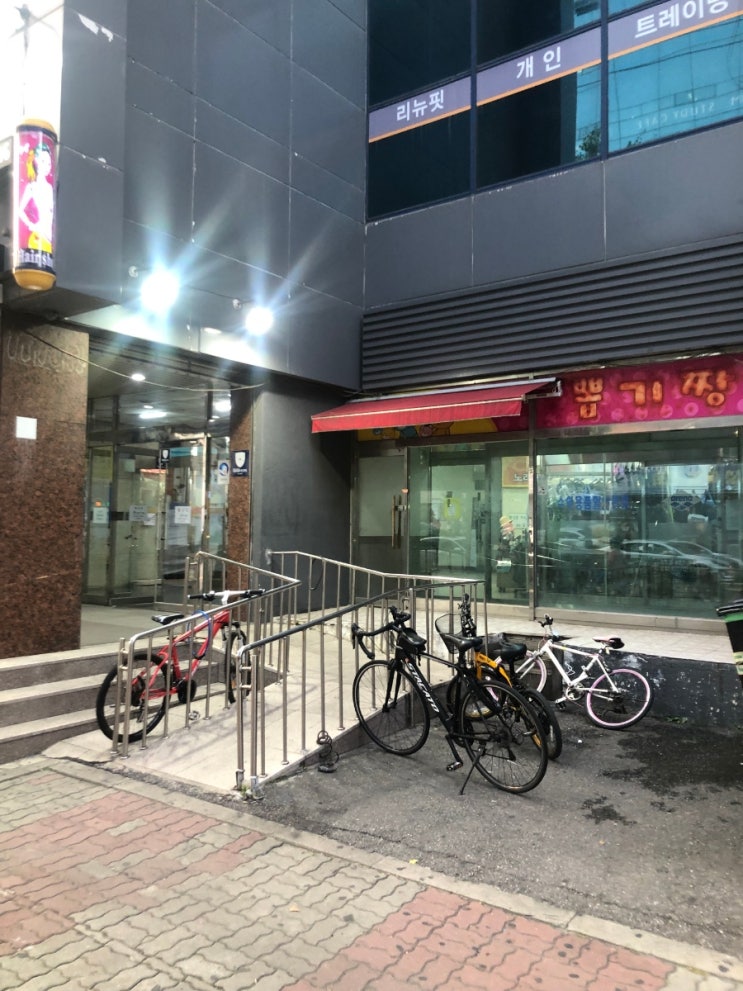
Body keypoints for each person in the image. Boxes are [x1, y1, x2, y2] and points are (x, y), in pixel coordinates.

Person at [18, 141, 54, 253]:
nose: (47, 166)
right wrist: (31, 225)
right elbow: (19, 210)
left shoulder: (50, 187)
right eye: (43, 161)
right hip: (39, 236)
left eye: (49, 163)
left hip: (49, 238)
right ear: (36, 161)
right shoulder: (32, 186)